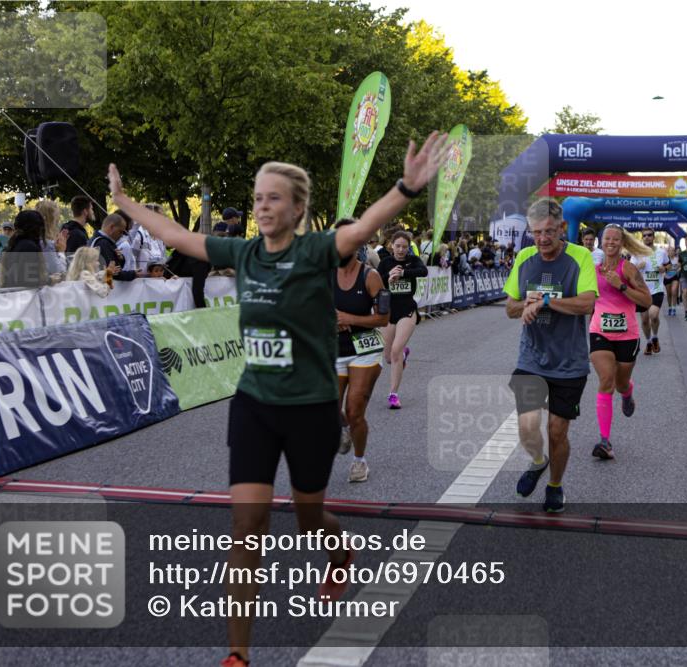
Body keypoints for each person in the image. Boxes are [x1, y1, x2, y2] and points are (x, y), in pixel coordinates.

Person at [108, 130, 446, 667]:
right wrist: (124, 202)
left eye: (274, 198)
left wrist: (406, 186)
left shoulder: (316, 250)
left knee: (309, 515)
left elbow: (364, 226)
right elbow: (176, 234)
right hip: (255, 406)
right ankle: (237, 655)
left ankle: (338, 554)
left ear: (297, 208)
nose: (263, 206)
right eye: (258, 197)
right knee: (249, 523)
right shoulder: (241, 253)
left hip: (311, 407)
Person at [504, 198, 597, 513]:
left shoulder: (580, 257)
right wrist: (526, 303)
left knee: (557, 432)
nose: (542, 239)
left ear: (563, 228)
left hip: (569, 363)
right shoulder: (525, 257)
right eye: (536, 232)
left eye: (548, 231)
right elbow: (510, 308)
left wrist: (544, 301)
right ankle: (538, 461)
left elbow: (586, 304)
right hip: (531, 358)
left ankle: (555, 486)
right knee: (527, 426)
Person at [588, 224, 652, 459]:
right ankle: (605, 441)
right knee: (606, 380)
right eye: (607, 239)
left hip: (627, 335)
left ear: (622, 243)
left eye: (616, 239)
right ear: (601, 242)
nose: (611, 242)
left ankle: (627, 393)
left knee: (621, 382)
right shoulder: (592, 270)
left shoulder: (630, 269)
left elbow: (646, 301)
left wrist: (622, 286)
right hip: (599, 331)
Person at [333, 218, 390, 482]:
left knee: (355, 409)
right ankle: (342, 428)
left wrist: (349, 319)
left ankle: (359, 461)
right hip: (333, 349)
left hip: (364, 349)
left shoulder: (371, 276)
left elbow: (383, 318)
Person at [377, 229, 428, 409]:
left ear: (408, 247)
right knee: (389, 357)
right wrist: (389, 278)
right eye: (398, 246)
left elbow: (423, 272)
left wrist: (404, 273)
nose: (400, 250)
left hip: (407, 310)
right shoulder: (385, 262)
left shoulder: (413, 261)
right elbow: (376, 282)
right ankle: (404, 354)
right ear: (392, 245)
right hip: (388, 311)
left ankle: (393, 394)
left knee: (395, 351)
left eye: (404, 247)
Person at [631, 229, 670, 355]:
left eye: (649, 235)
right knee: (644, 320)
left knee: (653, 315)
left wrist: (664, 268)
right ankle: (648, 342)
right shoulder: (637, 253)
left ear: (653, 237)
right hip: (642, 291)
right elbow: (629, 272)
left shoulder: (661, 252)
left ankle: (655, 337)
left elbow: (668, 265)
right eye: (644, 236)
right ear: (642, 238)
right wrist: (638, 268)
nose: (647, 237)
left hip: (657, 289)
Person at [0, 210, 49, 289]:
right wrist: (50, 280)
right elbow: (28, 280)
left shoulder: (15, 244)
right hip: (24, 298)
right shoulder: (29, 247)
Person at [90, 213, 136, 281]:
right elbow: (112, 273)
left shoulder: (95, 240)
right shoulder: (103, 243)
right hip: (104, 287)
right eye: (120, 232)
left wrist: (120, 259)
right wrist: (133, 274)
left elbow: (112, 271)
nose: (121, 236)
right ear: (111, 227)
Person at [34, 200, 69, 280]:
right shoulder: (46, 244)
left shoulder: (33, 239)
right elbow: (59, 273)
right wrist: (61, 251)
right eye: (57, 219)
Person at [663, 245, 680, 317]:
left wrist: (678, 269)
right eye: (670, 251)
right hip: (667, 278)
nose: (671, 252)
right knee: (669, 294)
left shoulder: (677, 259)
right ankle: (670, 307)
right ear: (668, 252)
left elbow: (680, 266)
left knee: (674, 292)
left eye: (673, 250)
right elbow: (661, 268)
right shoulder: (665, 260)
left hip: (675, 277)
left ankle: (674, 308)